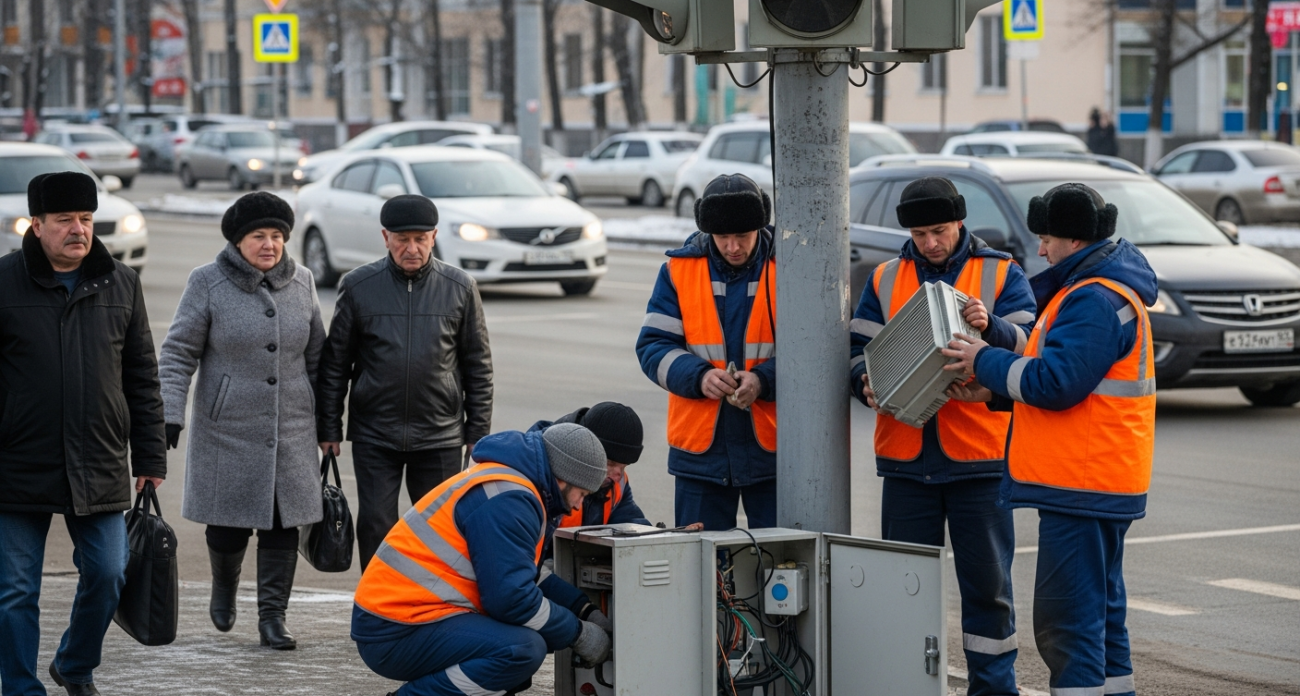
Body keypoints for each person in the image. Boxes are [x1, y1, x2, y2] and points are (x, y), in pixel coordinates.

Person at [942, 183, 1157, 696]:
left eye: (1047, 238)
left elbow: (1056, 383)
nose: (1040, 249)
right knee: (1103, 621)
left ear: (1074, 240)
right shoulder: (1101, 290)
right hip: (1099, 482)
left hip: (1082, 485)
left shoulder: (1093, 299)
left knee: (1069, 625)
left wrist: (982, 360)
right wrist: (991, 366)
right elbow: (1052, 368)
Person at [849, 176, 1036, 696]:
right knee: (907, 593)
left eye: (938, 230)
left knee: (989, 593)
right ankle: (910, 686)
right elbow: (858, 346)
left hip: (979, 463)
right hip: (907, 463)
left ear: (959, 222)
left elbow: (1031, 348)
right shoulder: (886, 276)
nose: (929, 242)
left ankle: (994, 691)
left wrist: (992, 325)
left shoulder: (1001, 272)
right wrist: (861, 382)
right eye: (918, 232)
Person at [0, 171, 167, 696]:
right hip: (15, 462)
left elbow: (142, 374)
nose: (79, 229)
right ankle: (21, 688)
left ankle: (73, 664)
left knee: (109, 572)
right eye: (66, 219)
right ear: (38, 224)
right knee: (14, 590)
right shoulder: (3, 282)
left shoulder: (122, 282)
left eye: (87, 219)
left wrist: (151, 456)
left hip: (96, 459)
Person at [158, 191, 326, 650]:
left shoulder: (304, 281)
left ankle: (273, 618)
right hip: (227, 429)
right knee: (227, 525)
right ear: (238, 241)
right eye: (258, 236)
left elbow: (318, 359)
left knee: (282, 525)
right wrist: (170, 411)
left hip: (290, 429)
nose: (269, 244)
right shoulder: (207, 282)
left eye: (277, 236)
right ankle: (224, 589)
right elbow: (177, 353)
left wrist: (328, 424)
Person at [351, 423, 615, 696]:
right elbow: (512, 600)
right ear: (564, 477)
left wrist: (583, 608)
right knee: (521, 650)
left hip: (399, 617)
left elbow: (522, 575)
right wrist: (577, 633)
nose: (577, 506)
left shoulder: (513, 485)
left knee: (519, 656)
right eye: (581, 494)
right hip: (395, 629)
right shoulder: (510, 500)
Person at [317, 194, 493, 570]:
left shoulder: (459, 287)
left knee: (439, 529)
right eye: (402, 239)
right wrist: (329, 427)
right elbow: (335, 364)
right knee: (377, 525)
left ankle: (432, 609)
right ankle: (377, 609)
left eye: (420, 239)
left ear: (433, 236)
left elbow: (478, 366)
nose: (411, 248)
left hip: (440, 434)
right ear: (385, 237)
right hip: (375, 433)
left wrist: (477, 432)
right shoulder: (359, 286)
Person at [635, 173, 776, 531]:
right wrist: (699, 377)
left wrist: (762, 380)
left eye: (742, 237)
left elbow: (813, 356)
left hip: (773, 453)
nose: (732, 247)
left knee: (784, 568)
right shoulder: (678, 271)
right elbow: (653, 346)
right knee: (702, 570)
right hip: (702, 454)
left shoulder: (787, 270)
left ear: (760, 226)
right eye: (723, 237)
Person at [528, 402, 651, 530]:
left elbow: (630, 522)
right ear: (585, 450)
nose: (617, 476)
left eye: (624, 466)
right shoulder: (539, 479)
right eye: (609, 463)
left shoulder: (616, 483)